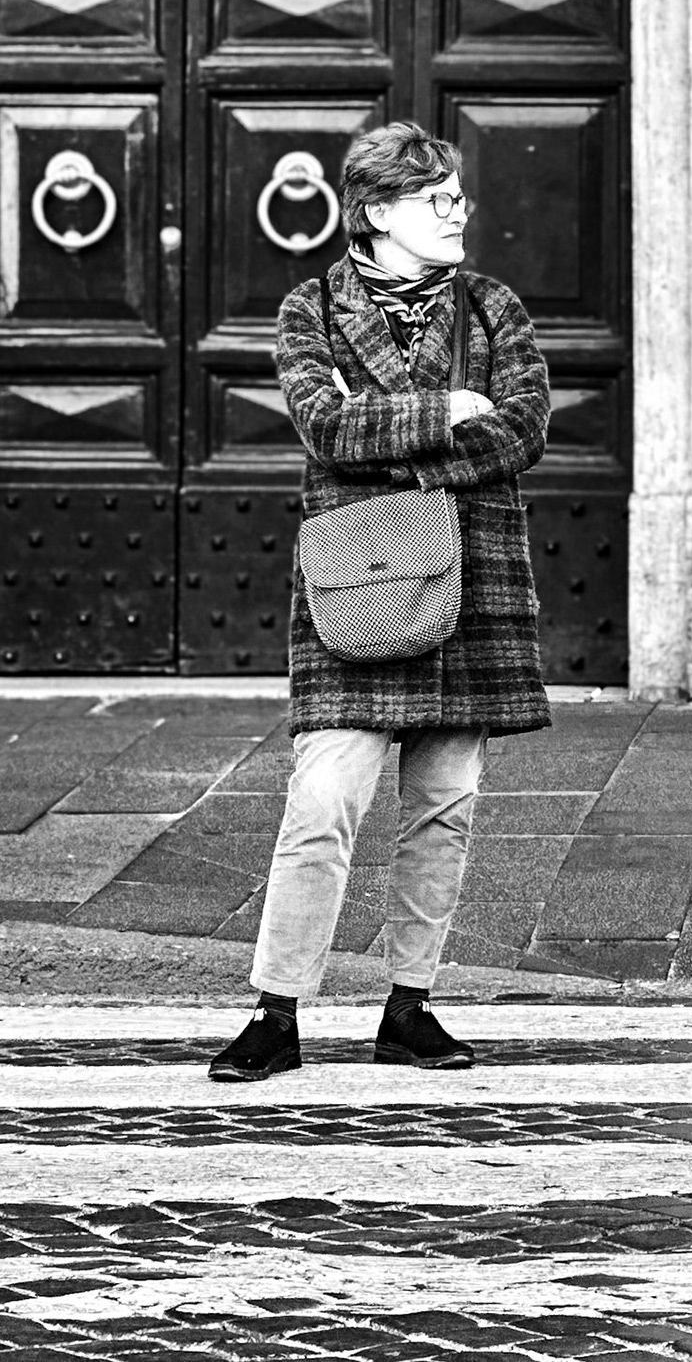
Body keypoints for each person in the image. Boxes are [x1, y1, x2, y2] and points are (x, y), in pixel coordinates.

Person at [208, 122, 552, 1082]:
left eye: (457, 195)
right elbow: (320, 423)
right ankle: (276, 1011)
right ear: (377, 212)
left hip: (470, 580)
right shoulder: (309, 308)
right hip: (357, 582)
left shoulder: (494, 309)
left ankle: (410, 1006)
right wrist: (445, 412)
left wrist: (381, 443)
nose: (459, 211)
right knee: (321, 803)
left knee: (444, 807)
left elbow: (523, 431)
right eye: (437, 197)